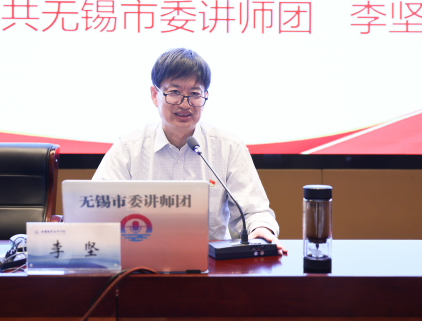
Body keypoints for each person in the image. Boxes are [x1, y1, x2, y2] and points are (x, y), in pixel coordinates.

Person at [93, 48, 286, 253]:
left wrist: (261, 229)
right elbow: (97, 210)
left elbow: (254, 212)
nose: (185, 104)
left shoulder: (229, 147)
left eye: (194, 94)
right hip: (140, 260)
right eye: (174, 92)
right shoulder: (128, 148)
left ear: (205, 96)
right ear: (154, 95)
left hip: (210, 263)